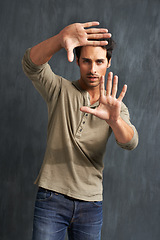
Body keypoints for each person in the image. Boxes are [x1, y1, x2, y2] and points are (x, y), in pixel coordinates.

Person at [22, 21, 138, 240]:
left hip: (90, 204)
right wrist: (59, 39)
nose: (93, 69)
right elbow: (31, 64)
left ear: (108, 63)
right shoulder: (60, 90)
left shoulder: (114, 106)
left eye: (99, 62)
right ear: (77, 61)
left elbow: (130, 141)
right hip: (51, 199)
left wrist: (115, 121)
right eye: (86, 61)